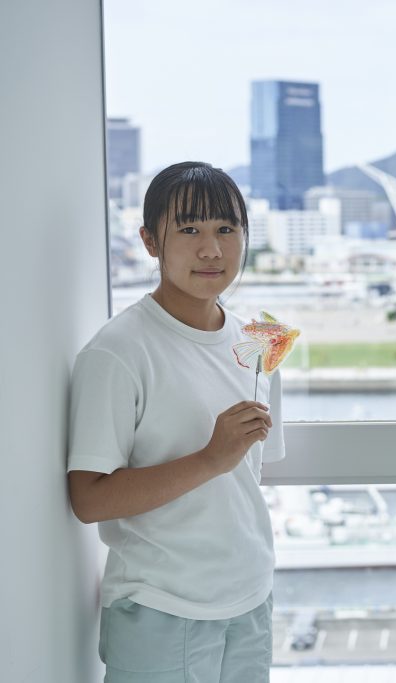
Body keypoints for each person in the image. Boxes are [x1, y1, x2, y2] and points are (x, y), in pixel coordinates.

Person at [67, 161, 284, 682]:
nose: (211, 249)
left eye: (226, 229)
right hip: (161, 609)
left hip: (250, 599)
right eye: (189, 230)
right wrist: (211, 458)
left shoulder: (257, 342)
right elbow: (89, 498)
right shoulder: (119, 351)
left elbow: (249, 479)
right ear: (149, 241)